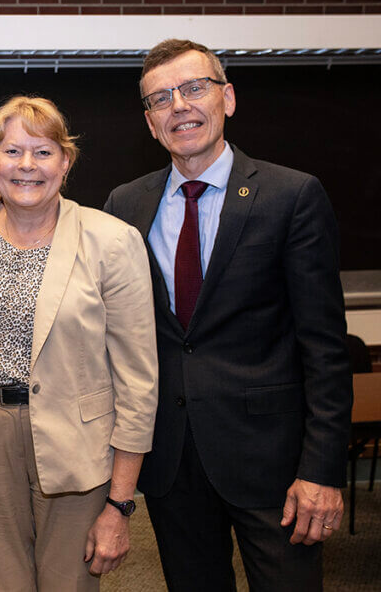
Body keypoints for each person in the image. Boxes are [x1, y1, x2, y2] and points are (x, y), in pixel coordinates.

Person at [103, 39, 353, 591]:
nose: (180, 106)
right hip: (172, 459)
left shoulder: (291, 196)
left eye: (194, 88)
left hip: (275, 465)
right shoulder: (125, 206)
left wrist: (321, 470)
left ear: (228, 98)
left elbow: (325, 348)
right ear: (149, 123)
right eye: (161, 98)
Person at [0, 96, 158, 591]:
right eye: (12, 151)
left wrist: (120, 503)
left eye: (44, 151)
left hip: (77, 441)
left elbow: (138, 383)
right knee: (0, 582)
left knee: (67, 583)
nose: (27, 166)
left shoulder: (113, 241)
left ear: (66, 161)